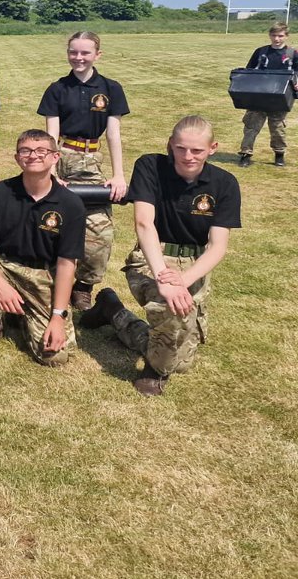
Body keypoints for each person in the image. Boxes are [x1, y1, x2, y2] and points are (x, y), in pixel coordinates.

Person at [80, 115, 241, 396]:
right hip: (152, 255)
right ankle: (154, 372)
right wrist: (163, 277)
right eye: (180, 148)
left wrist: (183, 280)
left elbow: (217, 246)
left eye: (197, 150)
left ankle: (112, 310)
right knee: (170, 313)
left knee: (179, 362)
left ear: (212, 148)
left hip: (195, 263)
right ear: (170, 144)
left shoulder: (225, 183)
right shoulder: (150, 166)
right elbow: (144, 223)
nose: (187, 156)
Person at [0, 130, 86, 366]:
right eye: (26, 151)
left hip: (43, 274)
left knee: (55, 357)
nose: (33, 156)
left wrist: (58, 317)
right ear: (17, 158)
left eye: (42, 150)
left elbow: (66, 264)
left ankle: (22, 318)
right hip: (4, 265)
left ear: (55, 157)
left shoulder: (71, 204)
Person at [37, 30, 129, 310]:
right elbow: (50, 132)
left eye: (85, 52)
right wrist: (50, 170)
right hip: (63, 155)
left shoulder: (111, 89)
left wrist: (118, 174)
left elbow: (113, 134)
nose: (78, 57)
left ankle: (84, 285)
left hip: (93, 159)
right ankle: (50, 278)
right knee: (52, 221)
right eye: (73, 52)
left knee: (99, 230)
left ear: (97, 55)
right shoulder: (57, 88)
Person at [237, 21, 297, 168]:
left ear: (287, 36)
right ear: (270, 35)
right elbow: (249, 70)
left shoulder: (293, 54)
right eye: (274, 35)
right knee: (251, 127)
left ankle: (279, 154)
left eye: (281, 36)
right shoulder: (261, 51)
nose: (277, 39)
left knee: (277, 128)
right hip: (259, 95)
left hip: (280, 97)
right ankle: (246, 154)